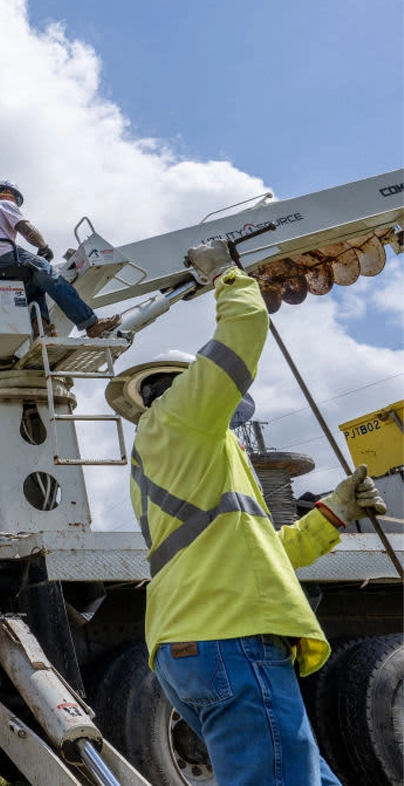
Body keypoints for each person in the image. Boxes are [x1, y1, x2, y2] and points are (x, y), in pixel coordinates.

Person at [106, 239, 388, 786]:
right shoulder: (179, 418)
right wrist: (228, 277)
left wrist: (335, 511)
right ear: (181, 389)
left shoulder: (185, 459)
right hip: (230, 642)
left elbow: (268, 557)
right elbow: (241, 338)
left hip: (196, 644)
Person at [0, 179, 121, 337]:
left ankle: (41, 330)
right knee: (53, 277)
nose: (14, 201)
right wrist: (44, 248)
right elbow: (26, 229)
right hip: (1, 253)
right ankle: (91, 323)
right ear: (8, 193)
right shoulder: (4, 204)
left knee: (36, 286)